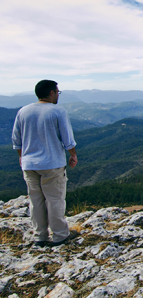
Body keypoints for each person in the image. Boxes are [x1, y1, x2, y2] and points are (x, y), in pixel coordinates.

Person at [12, 80, 78, 247]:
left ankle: (40, 237)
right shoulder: (57, 111)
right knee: (55, 200)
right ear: (51, 93)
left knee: (36, 201)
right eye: (57, 92)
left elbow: (17, 140)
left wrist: (22, 157)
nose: (57, 95)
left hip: (29, 164)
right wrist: (73, 155)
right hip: (52, 164)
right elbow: (68, 139)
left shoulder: (23, 111)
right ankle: (60, 236)